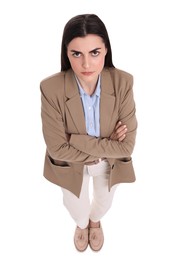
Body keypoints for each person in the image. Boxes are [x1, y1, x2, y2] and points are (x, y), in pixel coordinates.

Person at [40, 13, 137, 252]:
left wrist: (76, 139)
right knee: (77, 210)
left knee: (103, 205)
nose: (86, 64)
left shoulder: (123, 82)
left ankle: (96, 222)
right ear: (66, 54)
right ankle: (83, 224)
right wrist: (106, 144)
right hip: (69, 164)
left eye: (94, 52)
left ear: (106, 50)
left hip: (110, 164)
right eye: (76, 54)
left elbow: (126, 147)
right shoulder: (50, 88)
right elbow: (56, 148)